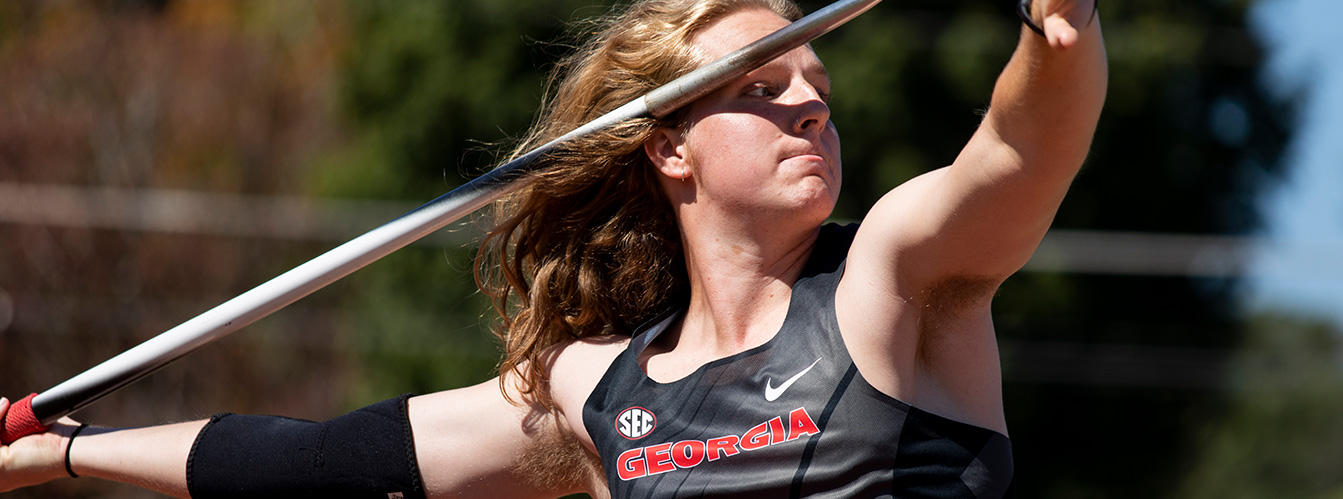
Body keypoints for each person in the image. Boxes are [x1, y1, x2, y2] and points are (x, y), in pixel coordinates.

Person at [0, 0, 1105, 496]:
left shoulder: (892, 283)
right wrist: (58, 452)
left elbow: (1018, 144)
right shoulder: (595, 386)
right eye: (762, 91)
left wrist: (1057, 27)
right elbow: (320, 461)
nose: (810, 108)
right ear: (668, 151)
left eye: (818, 88)